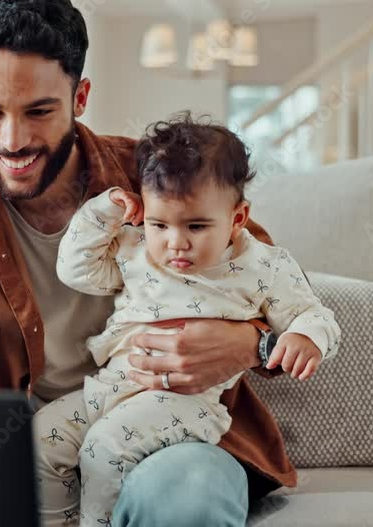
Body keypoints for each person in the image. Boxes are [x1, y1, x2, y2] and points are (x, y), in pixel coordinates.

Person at [0, 1, 300, 524]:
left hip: (173, 441)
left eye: (38, 112)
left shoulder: (162, 176)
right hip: (36, 453)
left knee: (189, 494)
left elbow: (274, 283)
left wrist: (250, 343)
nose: (12, 141)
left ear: (80, 98)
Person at [34, 114, 341, 526]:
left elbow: (313, 314)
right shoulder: (138, 248)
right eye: (160, 223)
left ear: (237, 218)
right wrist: (103, 212)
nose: (176, 242)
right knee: (40, 439)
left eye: (196, 226)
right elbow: (76, 271)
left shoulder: (263, 266)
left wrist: (306, 336)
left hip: (183, 403)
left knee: (103, 448)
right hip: (110, 388)